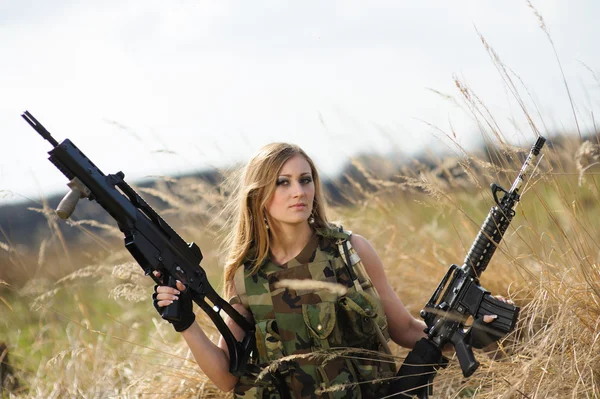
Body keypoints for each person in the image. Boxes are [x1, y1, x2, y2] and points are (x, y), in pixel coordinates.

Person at [153, 143, 507, 398]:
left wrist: (466, 331)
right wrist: (186, 325)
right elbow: (227, 378)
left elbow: (406, 330)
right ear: (259, 194)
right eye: (283, 182)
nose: (298, 192)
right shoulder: (247, 276)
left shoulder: (351, 250)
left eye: (305, 180)